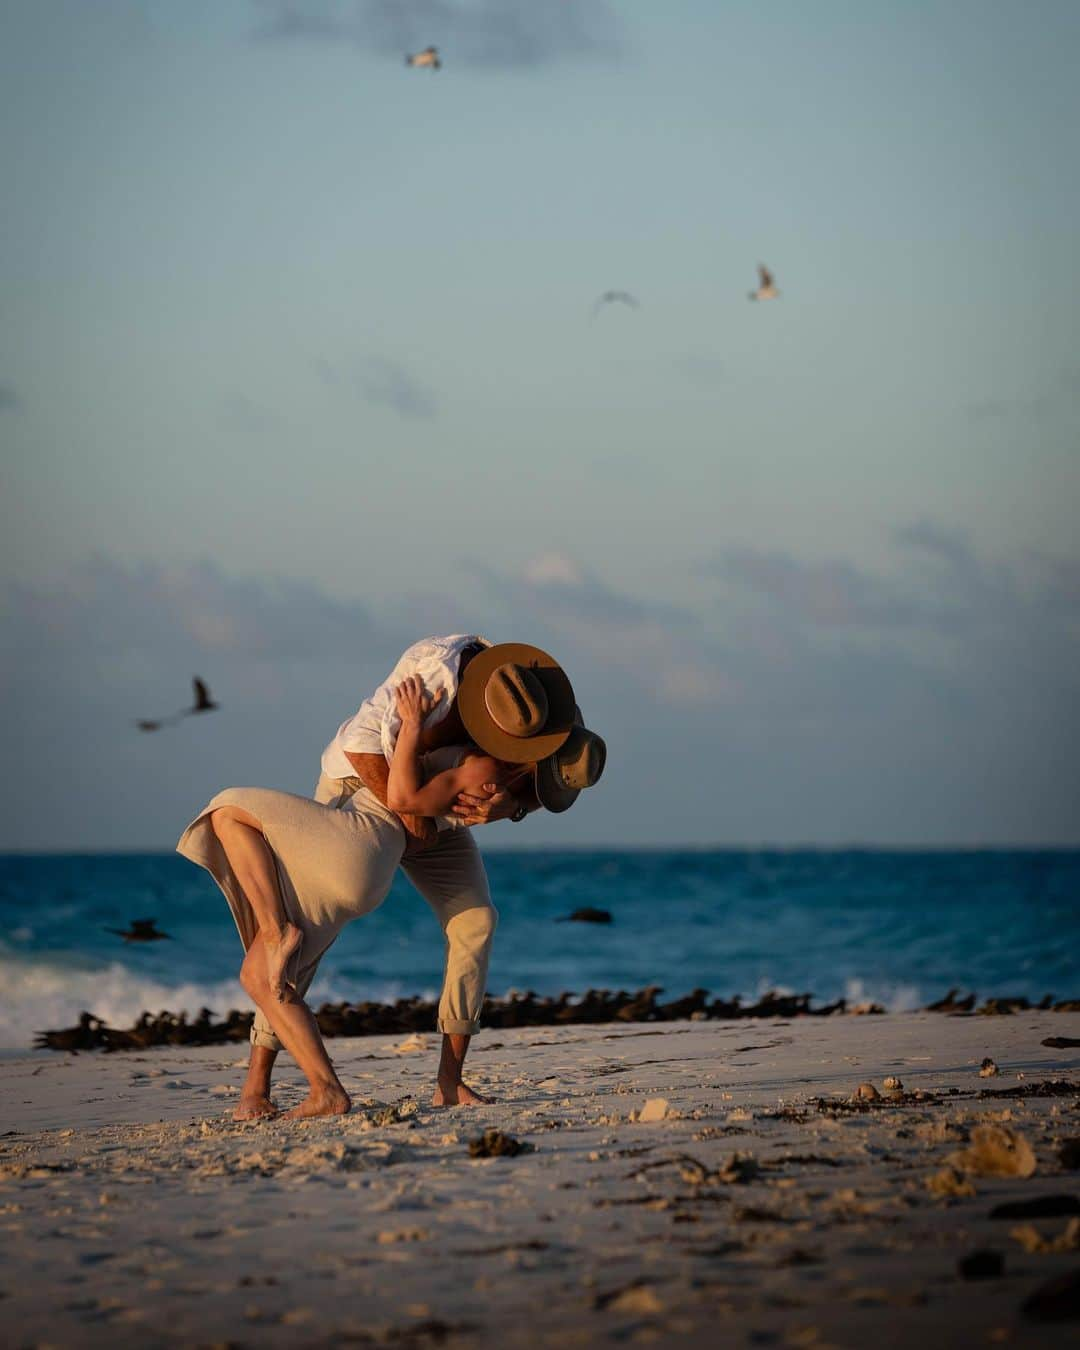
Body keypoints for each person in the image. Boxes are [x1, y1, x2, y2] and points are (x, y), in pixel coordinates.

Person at [176, 642, 606, 1119]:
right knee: (303, 941)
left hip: (434, 811)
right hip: (364, 788)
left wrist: (512, 806)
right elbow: (366, 751)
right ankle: (257, 1084)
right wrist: (419, 817)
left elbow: (525, 787)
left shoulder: (538, 712)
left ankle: (449, 1081)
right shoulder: (434, 679)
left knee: (476, 921)